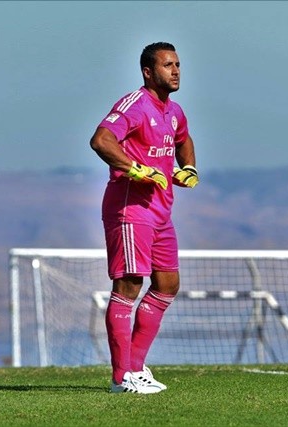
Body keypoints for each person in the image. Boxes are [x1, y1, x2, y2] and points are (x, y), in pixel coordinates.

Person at [89, 42, 198, 393]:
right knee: (129, 285)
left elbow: (183, 139)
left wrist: (189, 168)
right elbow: (101, 140)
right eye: (168, 65)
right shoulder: (134, 105)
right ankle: (121, 377)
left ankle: (136, 368)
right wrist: (134, 168)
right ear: (148, 72)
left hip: (161, 212)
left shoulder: (174, 111)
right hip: (130, 210)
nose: (176, 71)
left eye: (178, 64)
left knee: (167, 285)